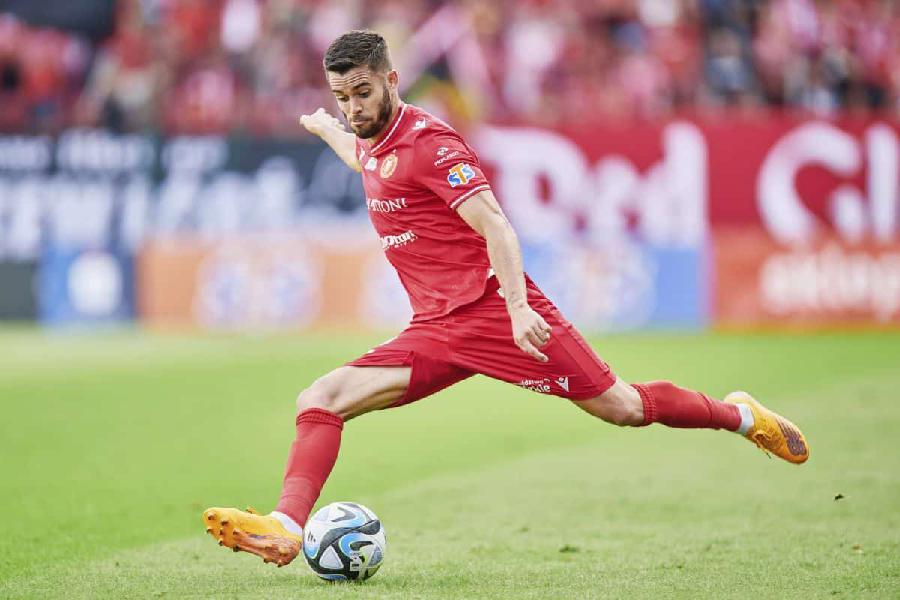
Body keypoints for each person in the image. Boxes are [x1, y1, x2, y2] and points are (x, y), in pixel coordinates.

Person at [202, 30, 808, 567]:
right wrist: (329, 129)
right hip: (434, 330)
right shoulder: (370, 137)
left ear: (392, 80)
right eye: (342, 97)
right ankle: (285, 528)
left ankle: (741, 416)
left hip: (495, 313)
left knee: (622, 406)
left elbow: (497, 226)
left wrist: (519, 310)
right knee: (320, 398)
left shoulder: (432, 145)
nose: (353, 107)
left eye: (362, 93)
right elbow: (366, 159)